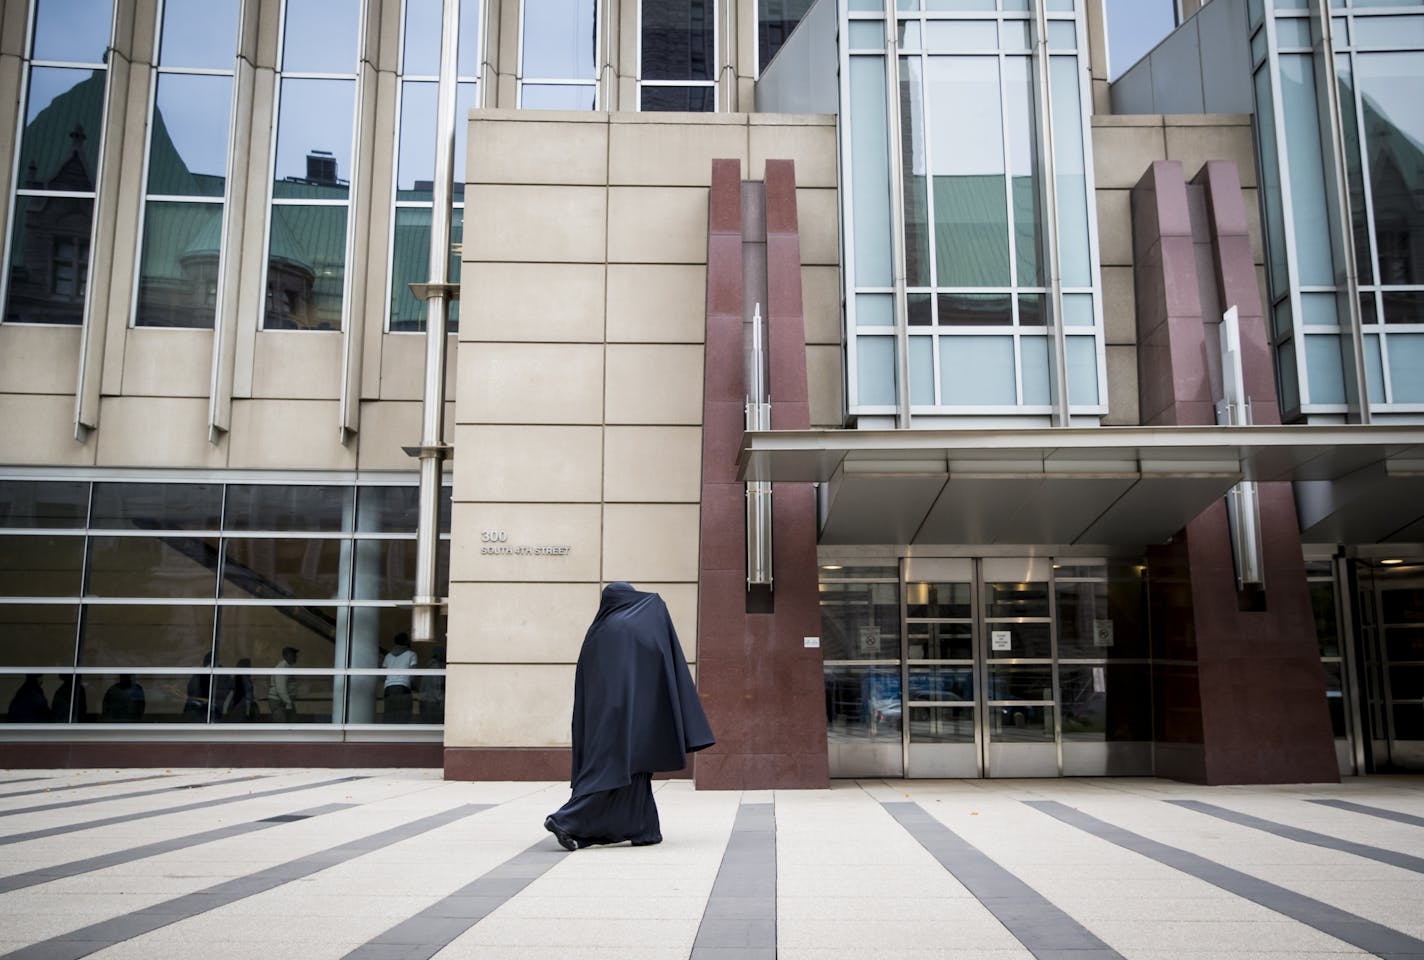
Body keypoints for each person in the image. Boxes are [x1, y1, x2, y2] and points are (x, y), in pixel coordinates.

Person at [544, 582, 714, 850]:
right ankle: (565, 820)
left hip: (605, 718)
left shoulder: (600, 630)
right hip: (634, 716)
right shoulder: (632, 627)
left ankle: (644, 828)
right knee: (613, 772)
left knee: (630, 773)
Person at [382, 632, 418, 722]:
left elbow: (382, 676)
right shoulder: (411, 654)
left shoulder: (388, 656)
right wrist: (415, 688)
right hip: (403, 686)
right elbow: (413, 674)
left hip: (388, 688)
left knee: (390, 716)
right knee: (403, 717)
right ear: (406, 642)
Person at [267, 647, 299, 722]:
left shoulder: (287, 667)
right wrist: (288, 702)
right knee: (282, 725)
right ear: (286, 656)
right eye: (293, 655)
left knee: (291, 723)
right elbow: (281, 688)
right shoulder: (282, 668)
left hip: (284, 701)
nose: (296, 657)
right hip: (280, 702)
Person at [418, 645, 446, 723]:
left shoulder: (428, 666)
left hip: (426, 700)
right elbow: (437, 686)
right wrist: (441, 701)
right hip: (434, 703)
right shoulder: (436, 667)